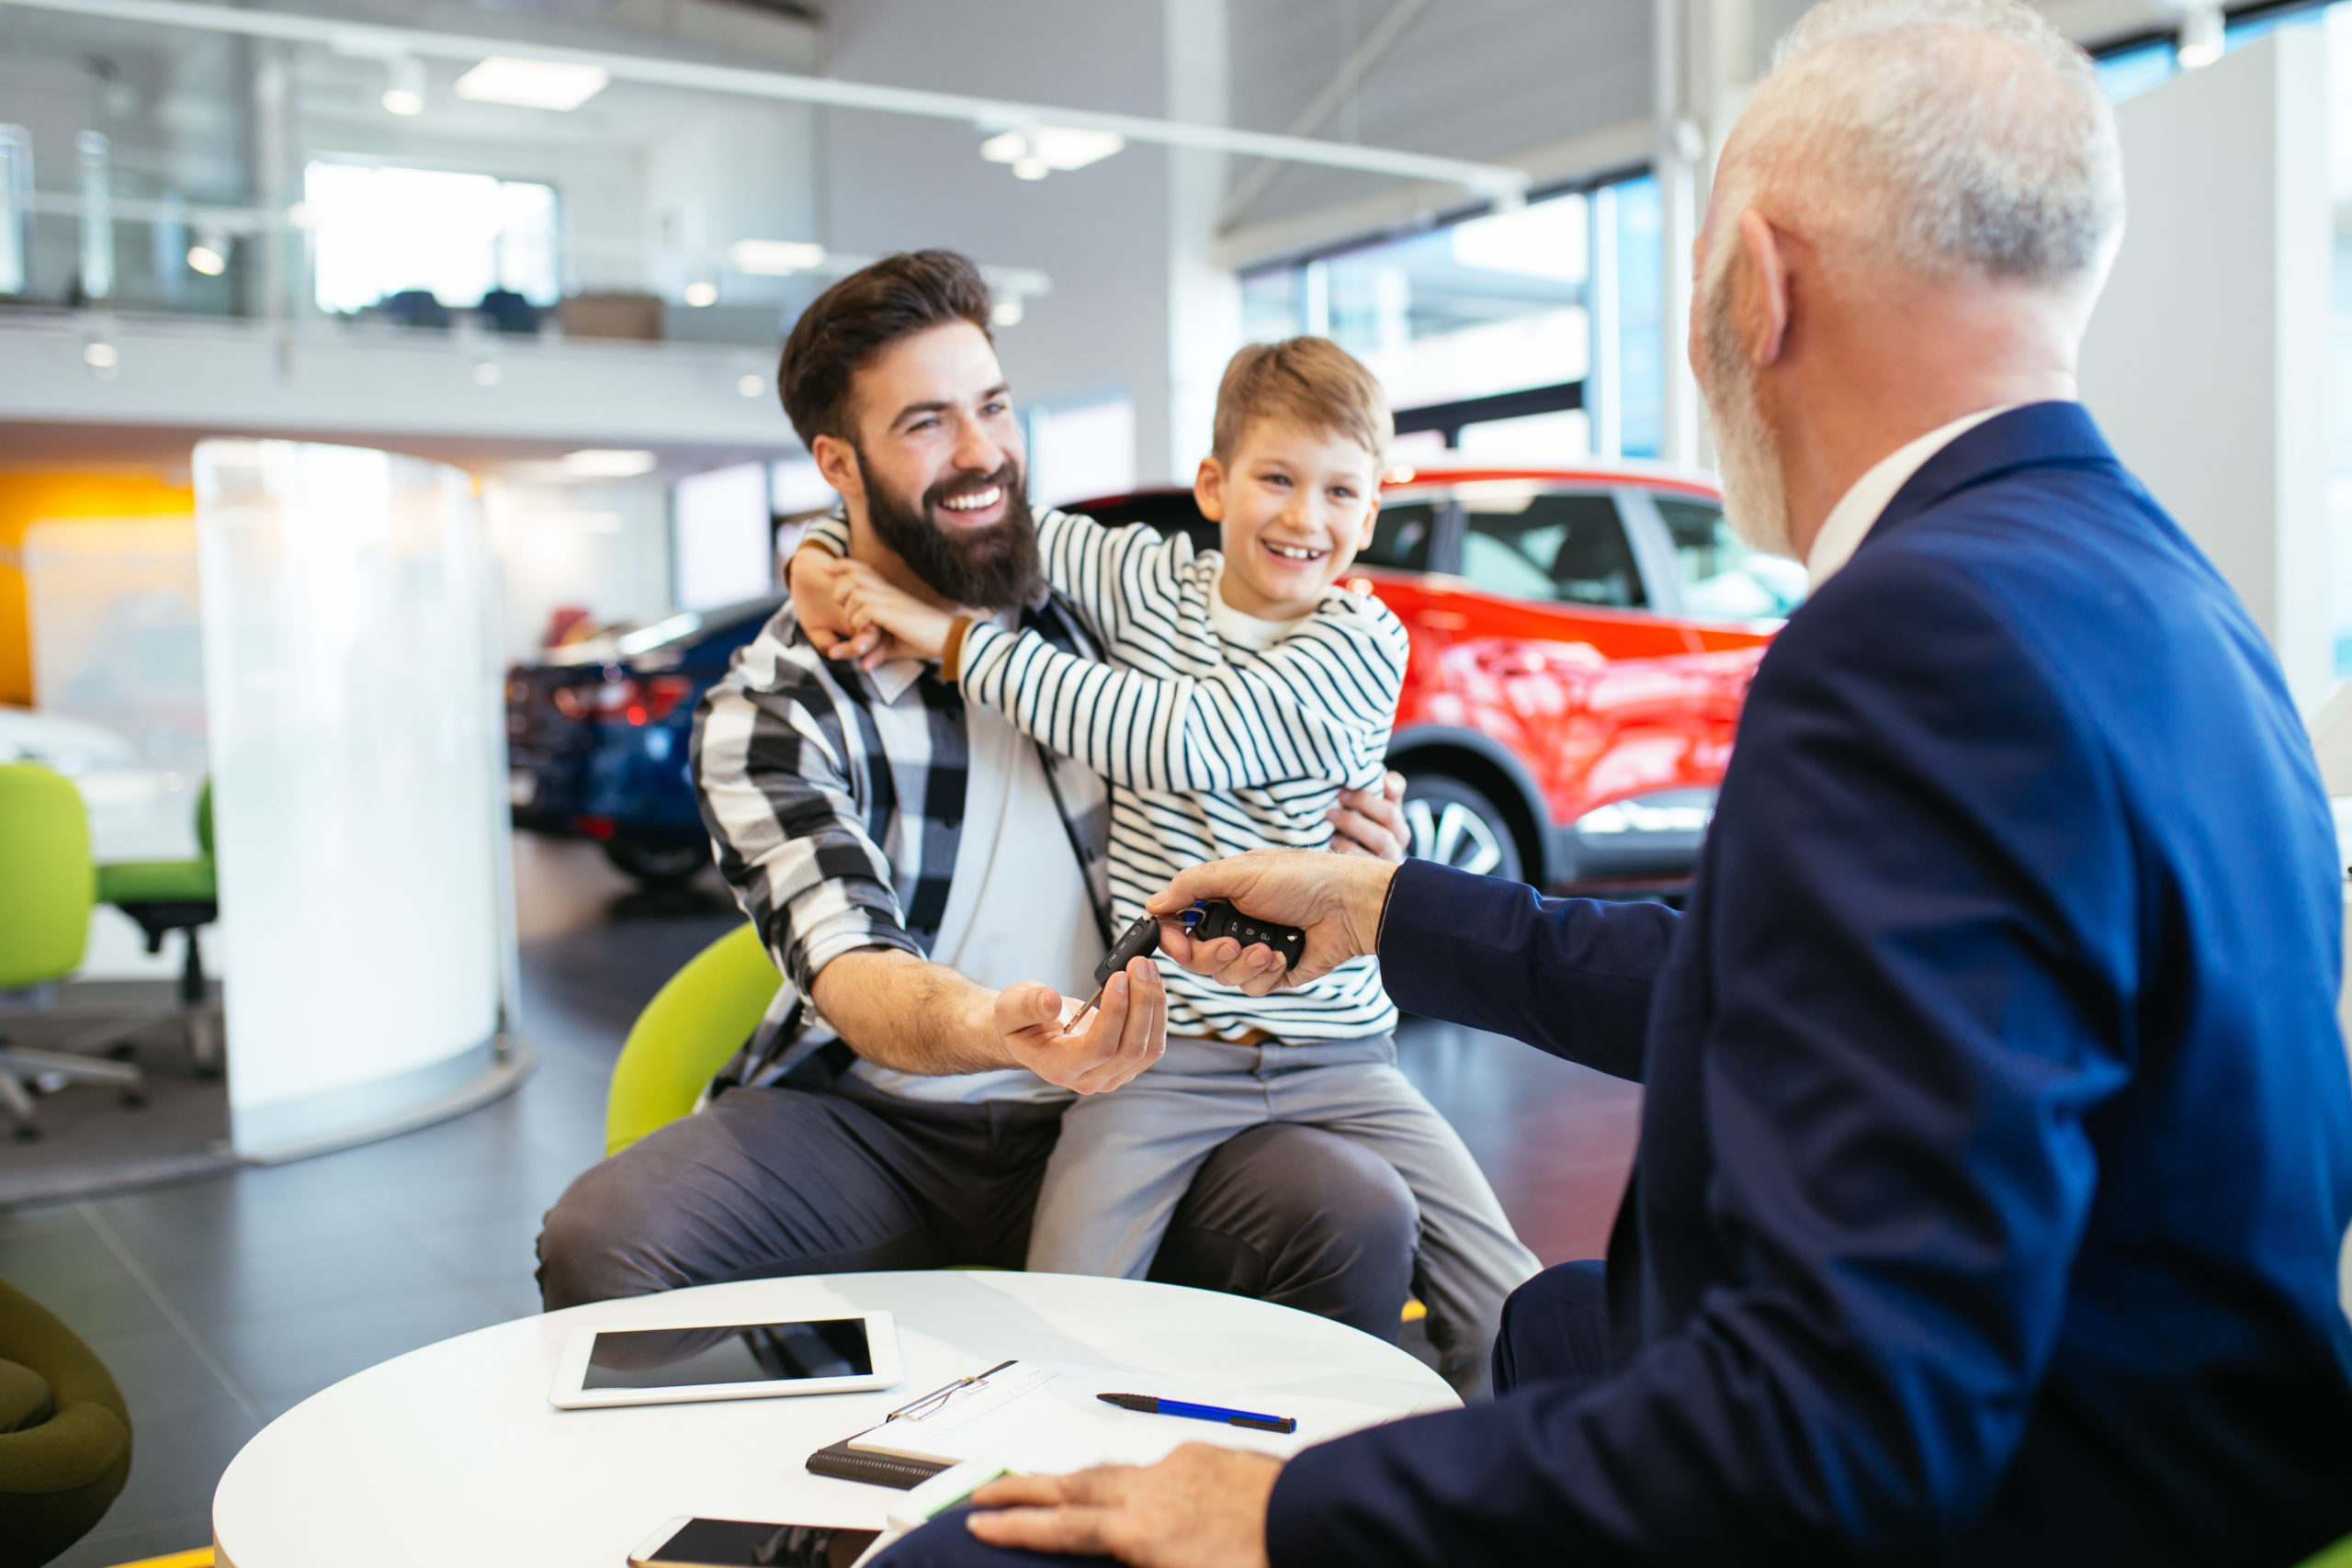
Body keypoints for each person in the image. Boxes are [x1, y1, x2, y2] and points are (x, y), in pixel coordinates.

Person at [876, 1, 2352, 1563]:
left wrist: (1285, 1510)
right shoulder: (2165, 591)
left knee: (969, 1552)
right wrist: (1389, 906)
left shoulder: (1911, 639)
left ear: (1759, 283)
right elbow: (1792, 983)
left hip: (2039, 1501)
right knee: (1562, 1320)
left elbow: (1838, 1428)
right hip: (2198, 1431)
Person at [535, 252, 1424, 1338]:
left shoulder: (1097, 613)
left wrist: (1369, 825)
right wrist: (993, 1029)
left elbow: (1264, 727)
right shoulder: (776, 704)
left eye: (992, 407)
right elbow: (850, 967)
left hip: (1138, 1094)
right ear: (839, 462)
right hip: (878, 1126)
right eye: (923, 424)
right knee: (607, 1237)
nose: (980, 454)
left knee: (1353, 1211)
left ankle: (1259, 1500)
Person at [792, 336, 1539, 1394]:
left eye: (1339, 492)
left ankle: (1514, 1481)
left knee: (1502, 1292)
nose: (1303, 518)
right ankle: (1042, 1478)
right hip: (1161, 1052)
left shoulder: (1365, 639)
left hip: (1341, 1057)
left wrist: (946, 638)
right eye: (1276, 478)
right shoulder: (1141, 581)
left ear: (1369, 515)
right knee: (1061, 1303)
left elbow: (1178, 738)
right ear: (1213, 485)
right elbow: (956, 522)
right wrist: (816, 559)